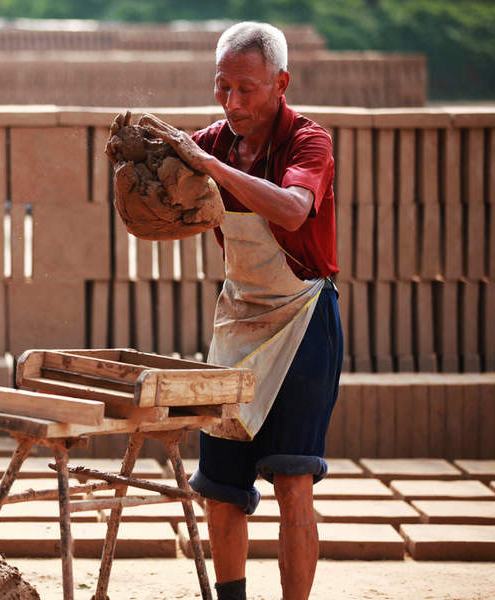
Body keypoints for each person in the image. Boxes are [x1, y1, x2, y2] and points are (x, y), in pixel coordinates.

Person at [136, 21, 344, 600]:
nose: (232, 103)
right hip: (238, 320)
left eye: (246, 89)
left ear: (281, 83)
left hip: (304, 319)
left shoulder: (309, 142)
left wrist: (211, 168)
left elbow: (295, 210)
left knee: (293, 480)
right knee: (221, 488)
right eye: (222, 87)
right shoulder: (212, 140)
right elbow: (166, 204)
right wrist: (148, 168)